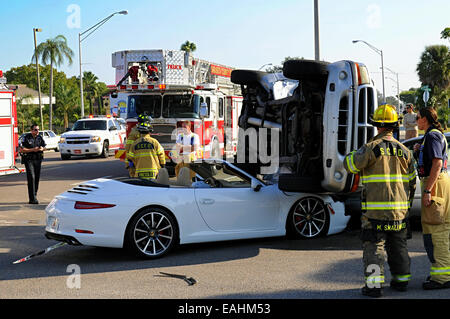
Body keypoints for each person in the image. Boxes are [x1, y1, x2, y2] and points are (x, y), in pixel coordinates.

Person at [344, 104, 416, 297]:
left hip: (375, 212)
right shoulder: (405, 152)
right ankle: (401, 281)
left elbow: (350, 165)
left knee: (374, 247)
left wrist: (352, 153)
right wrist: (406, 206)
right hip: (399, 212)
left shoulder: (370, 148)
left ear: (377, 126)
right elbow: (412, 182)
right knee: (398, 245)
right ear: (394, 125)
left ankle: (374, 287)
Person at [413, 107, 450, 290]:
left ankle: (442, 278)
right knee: (437, 230)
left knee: (437, 232)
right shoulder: (431, 136)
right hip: (438, 183)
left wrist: (428, 190)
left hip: (435, 184)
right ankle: (442, 272)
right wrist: (419, 149)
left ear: (425, 119)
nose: (416, 121)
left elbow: (436, 163)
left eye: (418, 118)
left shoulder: (433, 136)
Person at [19, 124, 46, 204]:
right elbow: (22, 150)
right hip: (29, 160)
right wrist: (32, 150)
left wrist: (42, 148)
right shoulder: (26, 137)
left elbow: (44, 147)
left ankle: (34, 195)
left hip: (38, 159)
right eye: (35, 130)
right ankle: (32, 199)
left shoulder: (39, 137)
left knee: (36, 178)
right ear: (31, 130)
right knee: (32, 177)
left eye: (38, 129)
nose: (37, 131)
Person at [125, 113, 151, 177]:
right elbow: (128, 148)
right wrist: (130, 161)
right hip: (134, 160)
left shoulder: (138, 131)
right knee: (135, 179)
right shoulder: (136, 133)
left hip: (137, 160)